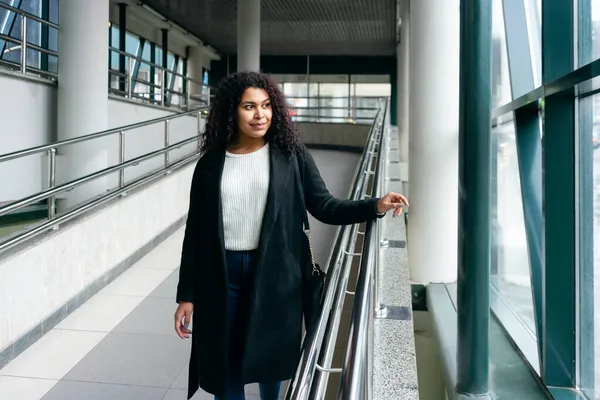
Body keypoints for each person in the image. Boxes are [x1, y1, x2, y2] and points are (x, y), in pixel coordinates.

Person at [173, 71, 408, 400]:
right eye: (249, 107)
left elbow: (325, 206)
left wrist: (375, 206)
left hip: (276, 275)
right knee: (224, 370)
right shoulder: (210, 166)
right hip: (220, 277)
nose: (260, 115)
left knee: (272, 368)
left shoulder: (291, 157)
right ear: (231, 112)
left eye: (267, 105)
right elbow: (195, 234)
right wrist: (187, 294)